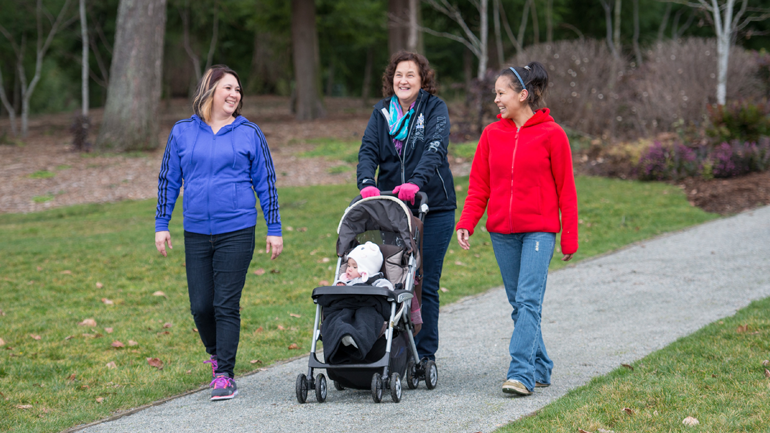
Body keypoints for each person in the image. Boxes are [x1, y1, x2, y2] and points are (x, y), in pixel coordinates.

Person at [154, 65, 283, 401]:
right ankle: (215, 354)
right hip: (196, 230)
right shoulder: (182, 132)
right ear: (209, 90)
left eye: (238, 90)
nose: (234, 94)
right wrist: (161, 223)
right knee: (200, 306)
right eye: (228, 88)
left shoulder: (249, 133)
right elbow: (169, 179)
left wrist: (274, 228)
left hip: (237, 229)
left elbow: (266, 182)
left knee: (226, 303)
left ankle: (225, 373)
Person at [455, 62, 578, 396]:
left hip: (539, 231)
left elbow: (566, 189)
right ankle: (542, 366)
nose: (496, 99)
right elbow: (479, 186)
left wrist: (569, 237)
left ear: (523, 95)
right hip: (502, 233)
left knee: (528, 300)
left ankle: (521, 373)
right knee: (519, 304)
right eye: (495, 93)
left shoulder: (553, 135)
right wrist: (467, 222)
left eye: (501, 93)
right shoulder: (491, 135)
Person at [357, 51, 455, 363]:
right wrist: (366, 181)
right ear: (391, 79)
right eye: (399, 75)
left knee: (425, 281)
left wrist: (416, 181)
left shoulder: (434, 109)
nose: (404, 80)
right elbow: (368, 149)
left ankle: (424, 354)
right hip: (394, 209)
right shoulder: (382, 112)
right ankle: (397, 350)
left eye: (411, 75)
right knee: (397, 278)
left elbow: (435, 148)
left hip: (433, 206)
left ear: (422, 80)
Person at [335, 242, 423, 330]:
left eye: (354, 267)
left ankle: (354, 334)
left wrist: (385, 290)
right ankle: (343, 331)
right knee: (338, 316)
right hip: (347, 307)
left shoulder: (375, 280)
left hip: (367, 308)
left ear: (366, 269)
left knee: (365, 316)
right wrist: (340, 285)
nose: (349, 269)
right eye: (348, 265)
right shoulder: (345, 280)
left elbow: (386, 287)